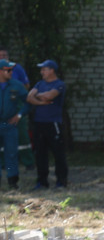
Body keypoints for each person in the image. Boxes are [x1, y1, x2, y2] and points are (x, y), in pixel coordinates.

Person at [26, 59, 67, 190]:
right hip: (39, 123)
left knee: (58, 153)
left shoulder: (60, 84)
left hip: (53, 123)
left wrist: (39, 95)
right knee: (40, 154)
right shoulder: (39, 83)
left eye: (44, 69)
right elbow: (29, 97)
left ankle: (61, 182)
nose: (41, 72)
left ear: (51, 70)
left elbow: (50, 96)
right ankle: (42, 182)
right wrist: (40, 101)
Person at [0, 59, 28, 190]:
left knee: (11, 153)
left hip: (9, 125)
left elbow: (28, 102)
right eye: (8, 70)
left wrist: (19, 115)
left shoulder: (16, 85)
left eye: (11, 70)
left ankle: (12, 181)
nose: (11, 72)